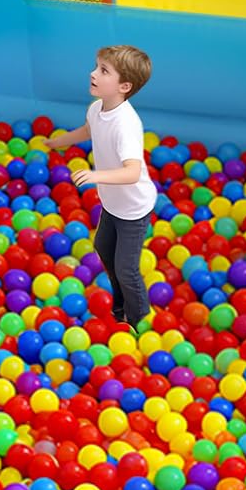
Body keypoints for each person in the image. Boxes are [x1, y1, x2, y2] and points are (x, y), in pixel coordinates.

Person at [43, 45, 157, 330]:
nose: (93, 73)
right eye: (96, 66)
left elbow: (132, 172)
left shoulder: (126, 124)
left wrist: (96, 176)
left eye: (103, 71)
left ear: (124, 86)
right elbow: (88, 130)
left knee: (125, 268)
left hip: (133, 208)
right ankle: (121, 309)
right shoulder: (97, 108)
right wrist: (58, 142)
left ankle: (139, 319)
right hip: (113, 203)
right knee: (103, 247)